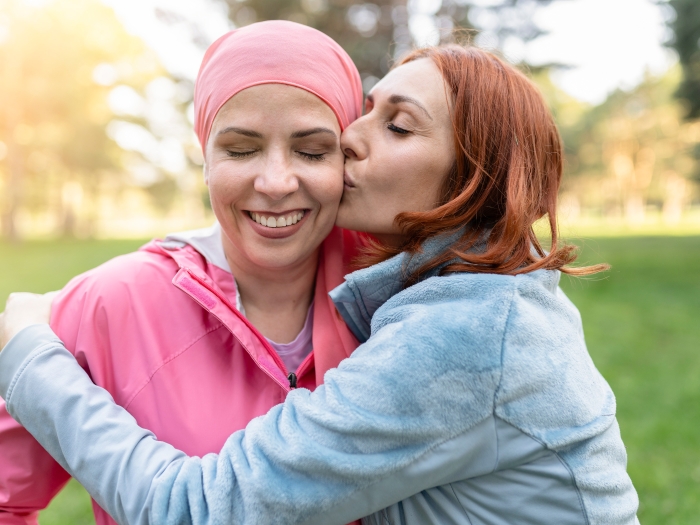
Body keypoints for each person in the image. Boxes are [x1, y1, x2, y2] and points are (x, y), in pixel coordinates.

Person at [0, 43, 640, 524]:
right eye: (364, 111)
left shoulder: (466, 330)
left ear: (473, 177)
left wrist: (26, 353)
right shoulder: (469, 284)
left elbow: (198, 511)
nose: (348, 141)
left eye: (397, 125)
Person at [0, 20, 365, 525]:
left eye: (311, 151)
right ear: (205, 157)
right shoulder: (109, 303)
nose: (276, 181)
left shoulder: (405, 294)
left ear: (349, 159)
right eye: (241, 150)